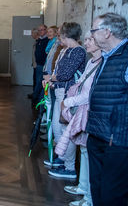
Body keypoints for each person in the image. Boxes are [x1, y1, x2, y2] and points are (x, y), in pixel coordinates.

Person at [85, 13, 128, 206]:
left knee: (112, 194)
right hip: (98, 134)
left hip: (116, 140)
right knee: (98, 190)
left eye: (94, 31)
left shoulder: (125, 57)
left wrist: (117, 133)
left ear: (108, 32)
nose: (92, 35)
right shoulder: (108, 57)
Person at [55, 32, 101, 206]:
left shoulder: (102, 62)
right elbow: (80, 83)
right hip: (80, 109)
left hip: (89, 110)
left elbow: (89, 94)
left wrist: (68, 101)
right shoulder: (91, 61)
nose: (86, 42)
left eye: (90, 40)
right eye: (87, 39)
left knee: (89, 153)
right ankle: (82, 186)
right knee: (83, 150)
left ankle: (89, 198)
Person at [45, 22, 86, 180]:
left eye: (60, 34)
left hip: (68, 95)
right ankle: (62, 158)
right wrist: (52, 80)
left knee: (65, 130)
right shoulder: (66, 50)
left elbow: (65, 74)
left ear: (66, 35)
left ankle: (69, 167)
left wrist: (51, 78)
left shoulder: (77, 51)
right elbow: (59, 72)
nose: (58, 37)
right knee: (57, 128)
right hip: (60, 91)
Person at [33, 24, 49, 105]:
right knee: (37, 82)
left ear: (46, 30)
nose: (40, 32)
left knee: (40, 83)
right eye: (39, 30)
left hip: (44, 65)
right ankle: (36, 99)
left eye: (42, 30)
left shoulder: (47, 40)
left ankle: (36, 100)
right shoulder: (39, 40)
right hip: (39, 64)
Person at [27, 27, 39, 99]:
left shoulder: (39, 42)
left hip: (38, 65)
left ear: (35, 33)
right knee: (35, 79)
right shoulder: (36, 41)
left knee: (37, 80)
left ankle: (35, 95)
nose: (31, 35)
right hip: (35, 64)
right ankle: (34, 93)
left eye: (32, 33)